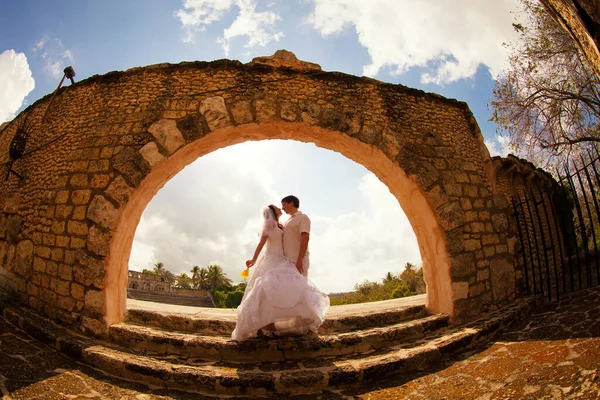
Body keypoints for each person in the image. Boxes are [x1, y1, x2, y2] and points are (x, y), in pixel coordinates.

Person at [231, 204, 330, 341]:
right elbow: (262, 243)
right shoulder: (270, 223)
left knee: (281, 292)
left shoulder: (281, 224)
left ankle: (273, 325)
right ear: (272, 212)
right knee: (263, 293)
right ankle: (258, 326)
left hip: (282, 260)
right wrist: (254, 259)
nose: (280, 209)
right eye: (278, 208)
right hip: (271, 260)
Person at [281, 195, 311, 276]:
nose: (282, 208)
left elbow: (305, 238)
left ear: (291, 203)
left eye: (284, 205)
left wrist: (300, 259)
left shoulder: (302, 217)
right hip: (287, 260)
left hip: (297, 260)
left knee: (300, 286)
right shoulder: (287, 221)